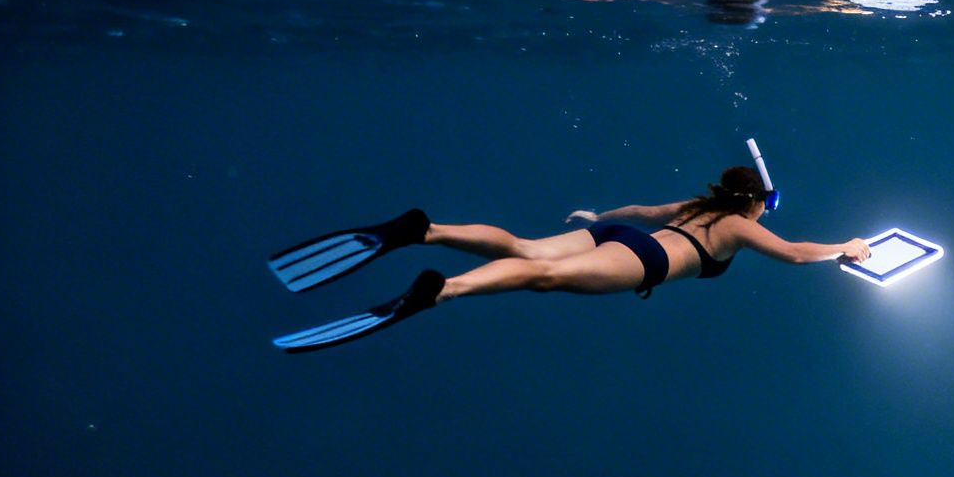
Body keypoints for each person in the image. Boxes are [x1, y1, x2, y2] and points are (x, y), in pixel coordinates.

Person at [268, 166, 872, 351]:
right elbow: (794, 255)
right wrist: (847, 247)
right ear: (757, 203)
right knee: (543, 276)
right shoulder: (738, 227)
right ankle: (441, 292)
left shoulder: (696, 203)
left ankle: (425, 231)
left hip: (616, 235)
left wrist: (594, 219)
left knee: (527, 248)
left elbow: (638, 207)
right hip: (645, 265)